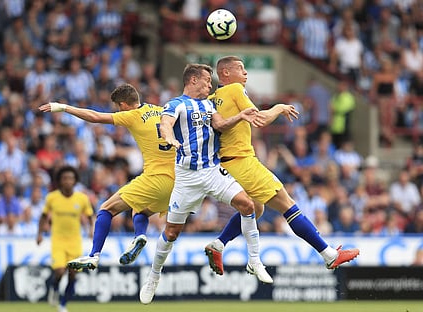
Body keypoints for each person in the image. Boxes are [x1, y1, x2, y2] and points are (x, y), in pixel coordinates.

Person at [204, 56, 360, 277]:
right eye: (241, 68)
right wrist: (278, 108)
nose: (246, 73)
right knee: (288, 205)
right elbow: (258, 119)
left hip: (226, 164)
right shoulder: (236, 89)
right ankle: (329, 255)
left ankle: (218, 245)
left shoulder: (212, 98)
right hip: (243, 162)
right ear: (225, 73)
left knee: (256, 209)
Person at [139, 63, 271, 305]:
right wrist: (170, 139)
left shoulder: (208, 104)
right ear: (192, 81)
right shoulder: (175, 104)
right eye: (206, 81)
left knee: (248, 204)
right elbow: (165, 125)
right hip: (187, 178)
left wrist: (240, 116)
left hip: (211, 170)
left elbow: (219, 125)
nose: (210, 85)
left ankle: (254, 260)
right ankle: (153, 276)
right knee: (171, 232)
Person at [39, 83, 176, 268]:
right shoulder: (162, 111)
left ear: (123, 104)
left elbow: (95, 117)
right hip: (177, 183)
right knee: (139, 210)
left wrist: (64, 107)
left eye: (118, 107)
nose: (118, 110)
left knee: (106, 209)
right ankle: (139, 236)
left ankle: (94, 254)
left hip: (156, 177)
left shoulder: (133, 115)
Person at [36, 165, 94, 312]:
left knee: (73, 274)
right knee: (60, 271)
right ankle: (54, 288)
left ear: (75, 181)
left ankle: (63, 304)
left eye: (71, 178)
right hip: (58, 241)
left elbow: (89, 216)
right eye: (65, 178)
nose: (68, 181)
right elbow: (43, 216)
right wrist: (40, 234)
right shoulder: (52, 198)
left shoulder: (81, 198)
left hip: (75, 241)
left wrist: (91, 230)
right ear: (60, 181)